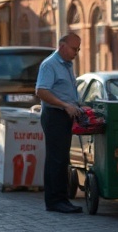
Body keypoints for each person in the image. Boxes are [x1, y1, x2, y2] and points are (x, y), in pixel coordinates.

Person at [35, 33, 83, 214]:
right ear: (62, 46)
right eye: (74, 48)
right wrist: (64, 105)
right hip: (55, 115)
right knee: (56, 159)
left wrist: (77, 105)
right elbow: (41, 91)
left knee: (61, 158)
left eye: (78, 49)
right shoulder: (50, 65)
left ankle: (60, 199)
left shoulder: (67, 65)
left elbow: (65, 91)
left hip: (64, 115)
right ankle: (56, 201)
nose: (76, 52)